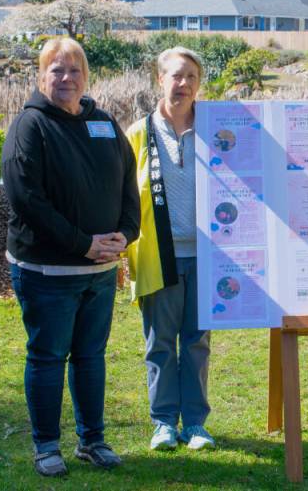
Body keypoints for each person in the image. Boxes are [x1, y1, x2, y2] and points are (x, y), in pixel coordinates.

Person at [1, 36, 139, 477]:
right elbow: (28, 200)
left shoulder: (103, 123)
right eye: (56, 70)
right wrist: (82, 243)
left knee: (90, 356)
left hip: (99, 271)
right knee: (47, 356)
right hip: (47, 270)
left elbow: (127, 183)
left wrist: (126, 233)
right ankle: (46, 446)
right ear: (41, 76)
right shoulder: (30, 126)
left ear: (86, 77)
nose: (66, 78)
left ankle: (92, 440)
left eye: (74, 70)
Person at [125, 47, 214, 451]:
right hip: (158, 254)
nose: (183, 85)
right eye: (176, 76)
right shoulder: (137, 133)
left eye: (191, 77)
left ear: (199, 84)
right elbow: (123, 198)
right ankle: (163, 422)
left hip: (209, 254)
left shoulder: (216, 129)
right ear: (159, 80)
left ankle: (195, 423)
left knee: (196, 342)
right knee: (159, 342)